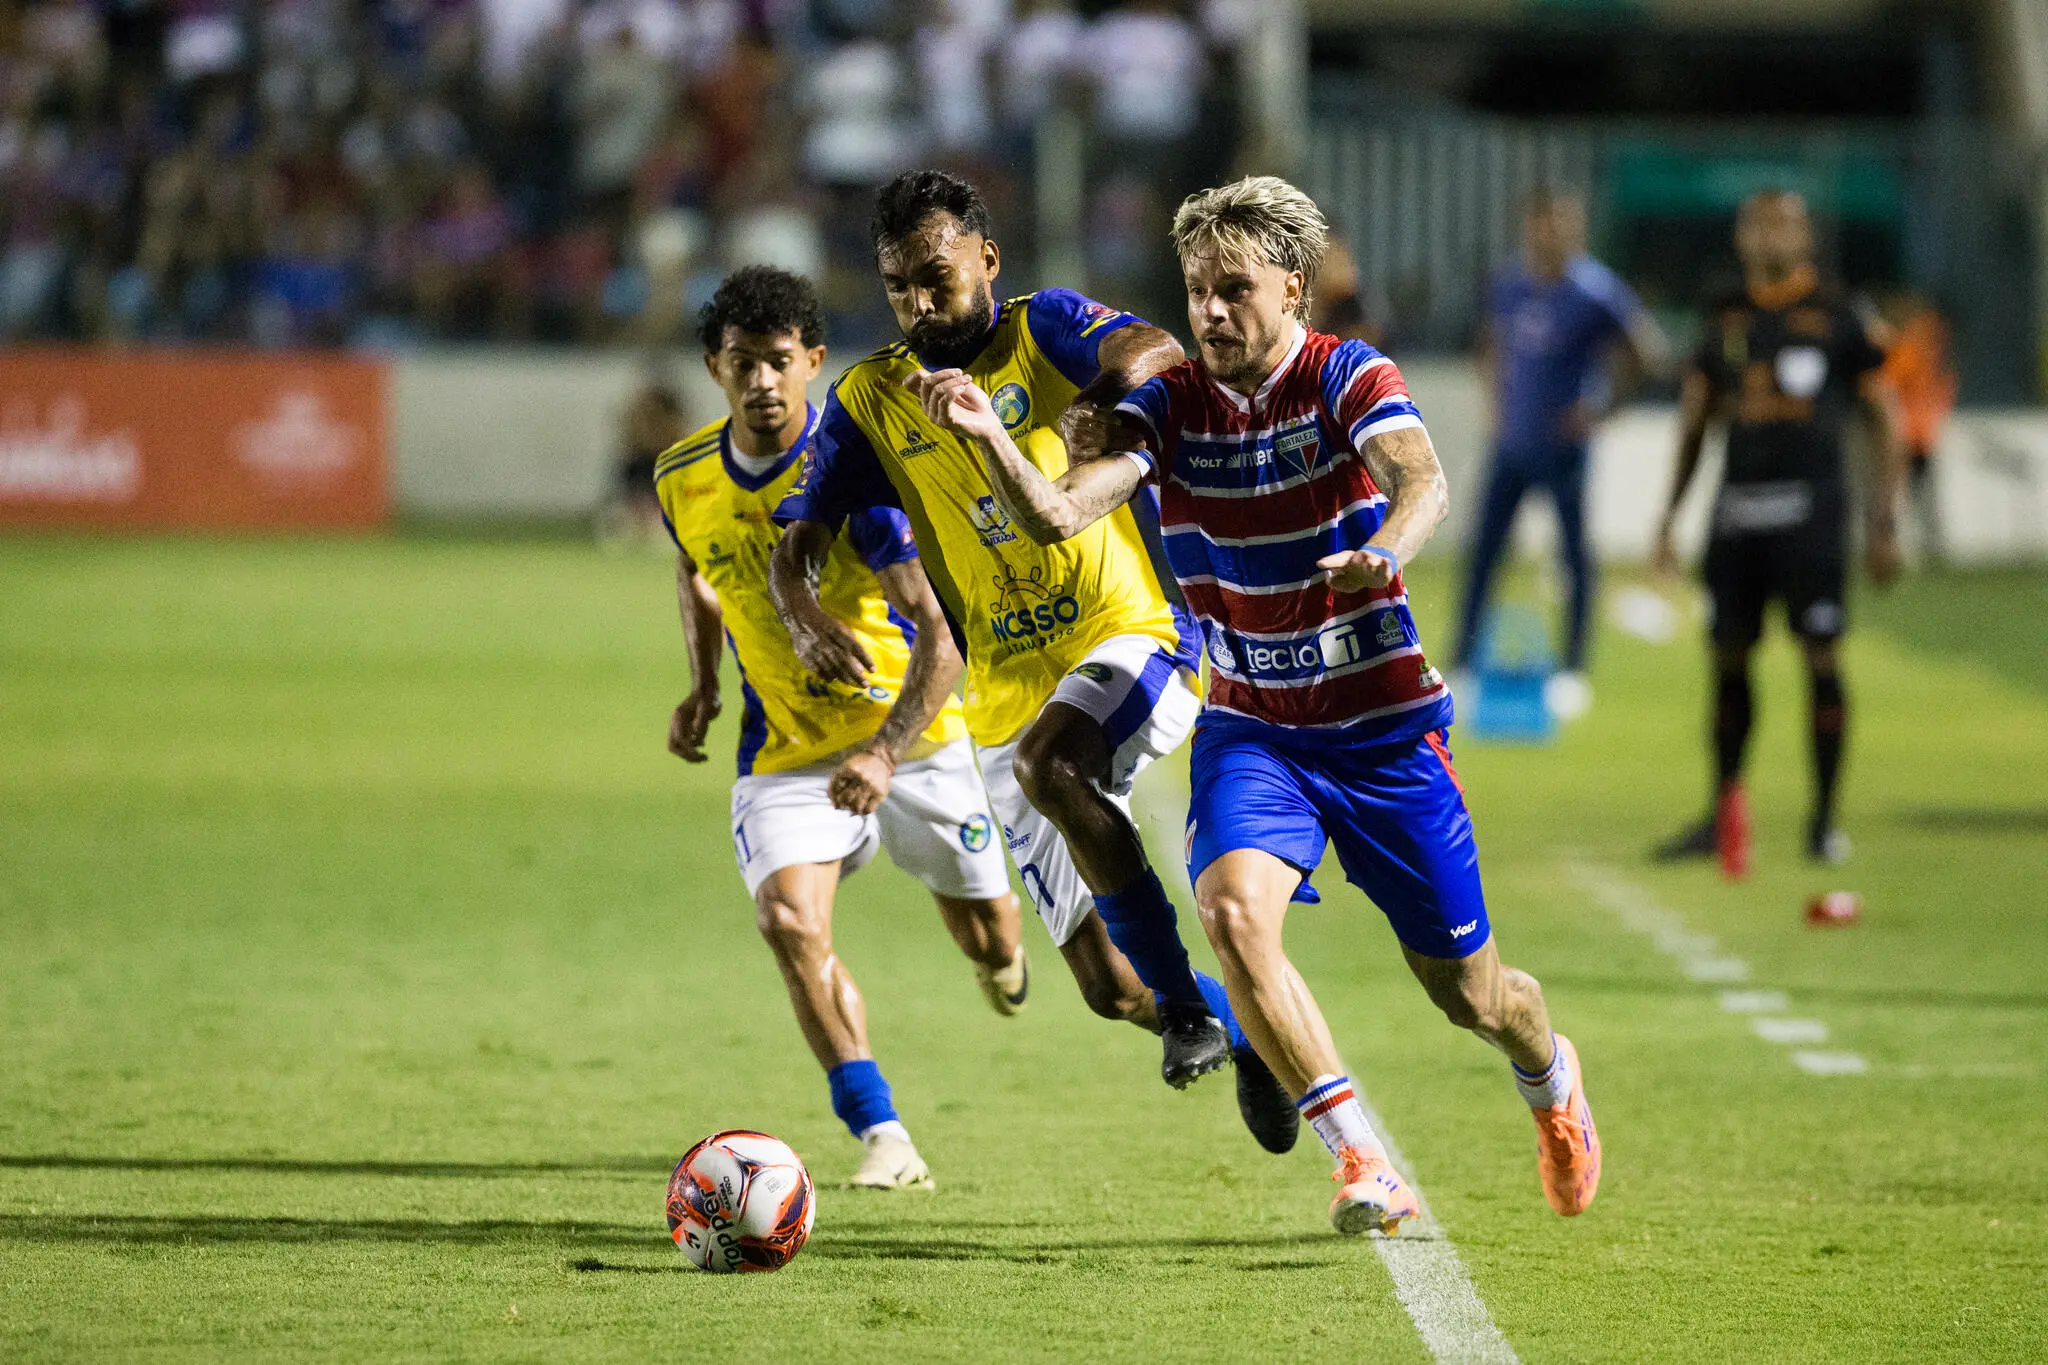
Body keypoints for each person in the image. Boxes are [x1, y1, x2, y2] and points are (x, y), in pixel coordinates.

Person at [902, 175, 1602, 1235]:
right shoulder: (1169, 406)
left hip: (1383, 737)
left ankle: (1550, 1081)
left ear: (1294, 289)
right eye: (1195, 291)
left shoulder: (1345, 375)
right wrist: (992, 437)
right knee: (1230, 912)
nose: (1212, 312)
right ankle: (1359, 1160)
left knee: (1471, 996)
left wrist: (1383, 550)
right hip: (1253, 729)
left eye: (1233, 288)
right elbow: (1055, 515)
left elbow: (1423, 481)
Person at [770, 169, 1299, 1154]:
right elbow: (800, 529)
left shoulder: (1041, 327)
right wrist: (799, 606)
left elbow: (1153, 350)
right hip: (1008, 686)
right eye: (896, 286)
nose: (919, 304)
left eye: (935, 276)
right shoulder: (873, 399)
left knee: (1056, 766)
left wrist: (1078, 415)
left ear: (986, 259)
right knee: (1105, 988)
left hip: (1128, 629)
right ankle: (1236, 1027)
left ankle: (1192, 1011)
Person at [658, 265, 1027, 1190]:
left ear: (814, 362)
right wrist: (701, 684)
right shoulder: (680, 475)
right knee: (788, 920)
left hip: (918, 740)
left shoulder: (858, 477)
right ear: (715, 367)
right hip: (784, 751)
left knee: (988, 940)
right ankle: (884, 1133)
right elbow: (699, 572)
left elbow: (942, 633)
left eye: (780, 362)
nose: (762, 382)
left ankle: (1002, 955)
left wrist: (884, 748)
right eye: (742, 363)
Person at [1651, 190, 1905, 873]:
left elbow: (1885, 416)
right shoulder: (1725, 315)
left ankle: (1823, 820)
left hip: (1813, 513)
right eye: (1756, 224)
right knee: (1727, 657)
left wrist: (1886, 519)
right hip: (1738, 513)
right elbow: (1698, 419)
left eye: (1783, 224)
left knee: (1821, 653)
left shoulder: (1841, 314)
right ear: (1740, 237)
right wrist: (1670, 517)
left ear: (1806, 236)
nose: (1768, 236)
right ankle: (1722, 810)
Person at [1454, 191, 1667, 720]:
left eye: (1559, 226)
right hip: (1512, 445)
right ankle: (1461, 663)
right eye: (1541, 225)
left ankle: (1572, 669)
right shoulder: (1508, 284)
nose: (1548, 235)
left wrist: (1601, 411)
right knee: (1483, 552)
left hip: (1564, 449)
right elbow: (1489, 343)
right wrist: (1495, 403)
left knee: (1574, 558)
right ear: (1528, 228)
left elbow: (1649, 353)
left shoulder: (1595, 292)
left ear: (1575, 231)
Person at [1879, 292, 1956, 564]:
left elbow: (1887, 382)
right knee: (1921, 493)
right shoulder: (1927, 351)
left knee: (1903, 494)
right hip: (1921, 433)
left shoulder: (1908, 350)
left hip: (1907, 434)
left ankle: (1906, 547)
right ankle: (1930, 545)